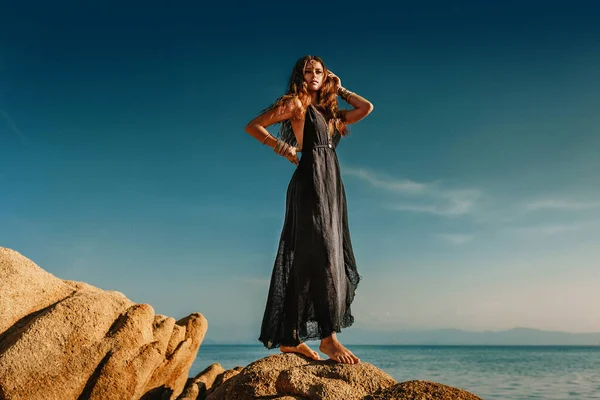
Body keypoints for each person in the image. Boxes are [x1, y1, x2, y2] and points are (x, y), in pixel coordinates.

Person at [245, 55, 373, 364]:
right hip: (309, 185)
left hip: (331, 188)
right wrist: (283, 147)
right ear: (300, 75)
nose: (314, 75)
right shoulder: (296, 104)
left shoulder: (331, 114)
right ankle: (328, 338)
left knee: (307, 261)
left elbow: (365, 108)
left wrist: (340, 88)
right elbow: (254, 126)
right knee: (322, 256)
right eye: (308, 71)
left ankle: (290, 338)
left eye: (319, 71)